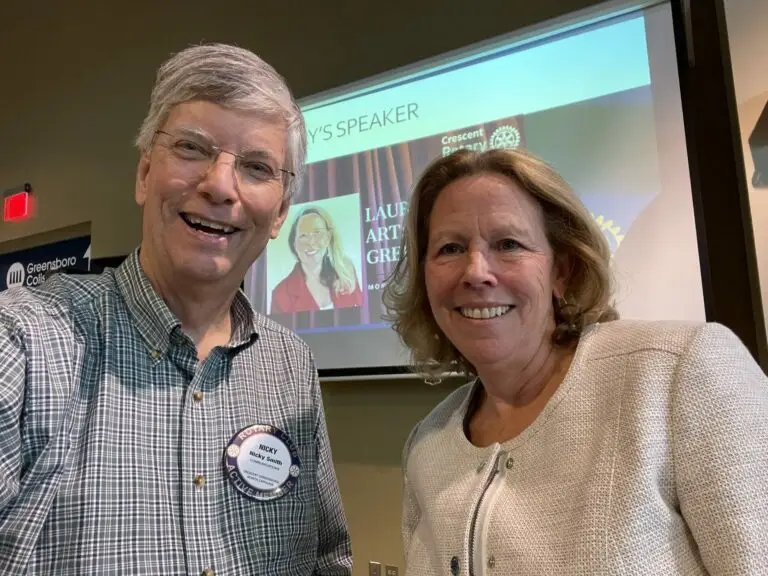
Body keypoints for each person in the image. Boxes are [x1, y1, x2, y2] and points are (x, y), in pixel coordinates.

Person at [0, 44, 352, 575]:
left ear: (279, 213)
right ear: (144, 174)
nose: (219, 185)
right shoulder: (24, 341)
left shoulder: (291, 365)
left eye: (256, 167)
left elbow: (327, 559)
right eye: (192, 148)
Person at [382, 148, 768, 575]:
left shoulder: (680, 373)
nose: (475, 272)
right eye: (450, 248)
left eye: (508, 244)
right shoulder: (427, 445)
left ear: (561, 270)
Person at [271, 205, 363, 314]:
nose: (311, 242)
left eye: (317, 233)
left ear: (329, 237)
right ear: (294, 244)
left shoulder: (346, 273)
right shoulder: (281, 294)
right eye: (303, 236)